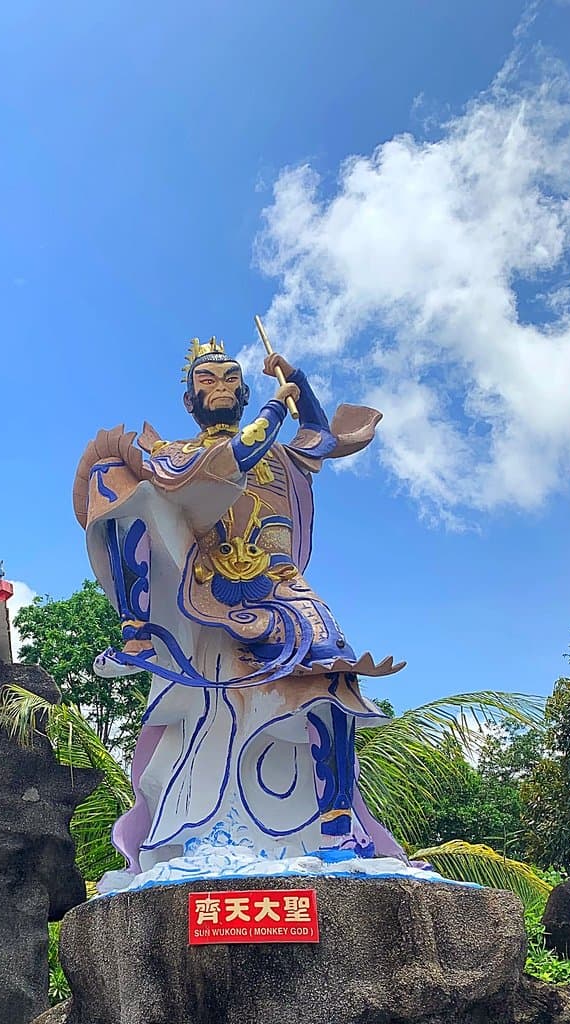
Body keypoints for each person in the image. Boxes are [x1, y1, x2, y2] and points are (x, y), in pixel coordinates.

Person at [73, 337, 407, 876]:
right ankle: (136, 632)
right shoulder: (183, 454)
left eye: (230, 377)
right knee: (109, 480)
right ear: (189, 399)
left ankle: (339, 823)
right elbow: (236, 455)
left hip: (280, 583)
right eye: (207, 379)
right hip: (210, 591)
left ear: (246, 390)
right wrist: (279, 405)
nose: (221, 386)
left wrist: (296, 379)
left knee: (333, 669)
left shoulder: (281, 455)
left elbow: (319, 435)